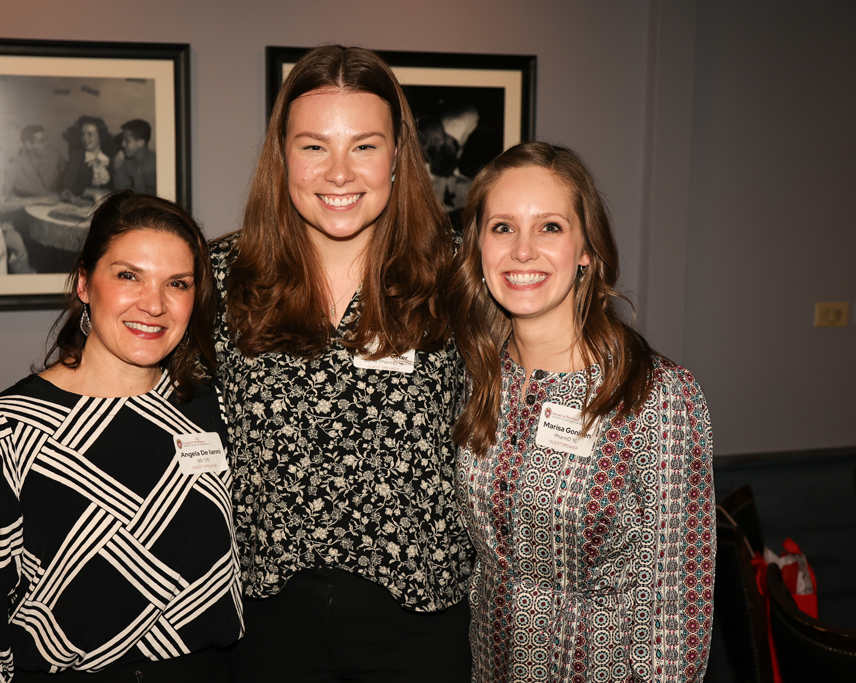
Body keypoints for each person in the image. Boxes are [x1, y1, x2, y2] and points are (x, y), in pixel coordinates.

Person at [210, 45, 474, 682]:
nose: (338, 173)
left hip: (418, 627)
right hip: (267, 624)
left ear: (397, 154)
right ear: (282, 155)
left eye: (363, 145)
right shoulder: (224, 279)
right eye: (313, 146)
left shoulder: (458, 277)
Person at [0, 191, 243, 682]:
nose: (154, 304)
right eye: (129, 276)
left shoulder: (214, 410)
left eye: (177, 284)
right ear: (84, 283)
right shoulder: (5, 431)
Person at [447, 142, 714, 682]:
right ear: (478, 247)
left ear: (586, 250)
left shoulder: (655, 396)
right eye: (502, 227)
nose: (523, 251)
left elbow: (677, 616)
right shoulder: (477, 378)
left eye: (549, 227)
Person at [61, 116, 115, 200]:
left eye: (90, 134)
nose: (85, 138)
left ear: (100, 135)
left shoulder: (110, 157)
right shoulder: (77, 156)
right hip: (83, 203)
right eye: (83, 134)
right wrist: (92, 193)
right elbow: (68, 185)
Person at [8, 124, 65, 200]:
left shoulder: (54, 154)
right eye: (41, 141)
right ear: (29, 145)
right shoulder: (18, 163)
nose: (46, 144)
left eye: (46, 139)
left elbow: (68, 176)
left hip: (57, 203)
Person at [113, 119, 157, 195]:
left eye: (127, 141)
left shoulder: (156, 163)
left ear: (141, 143)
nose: (123, 145)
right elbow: (120, 193)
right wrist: (118, 168)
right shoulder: (125, 162)